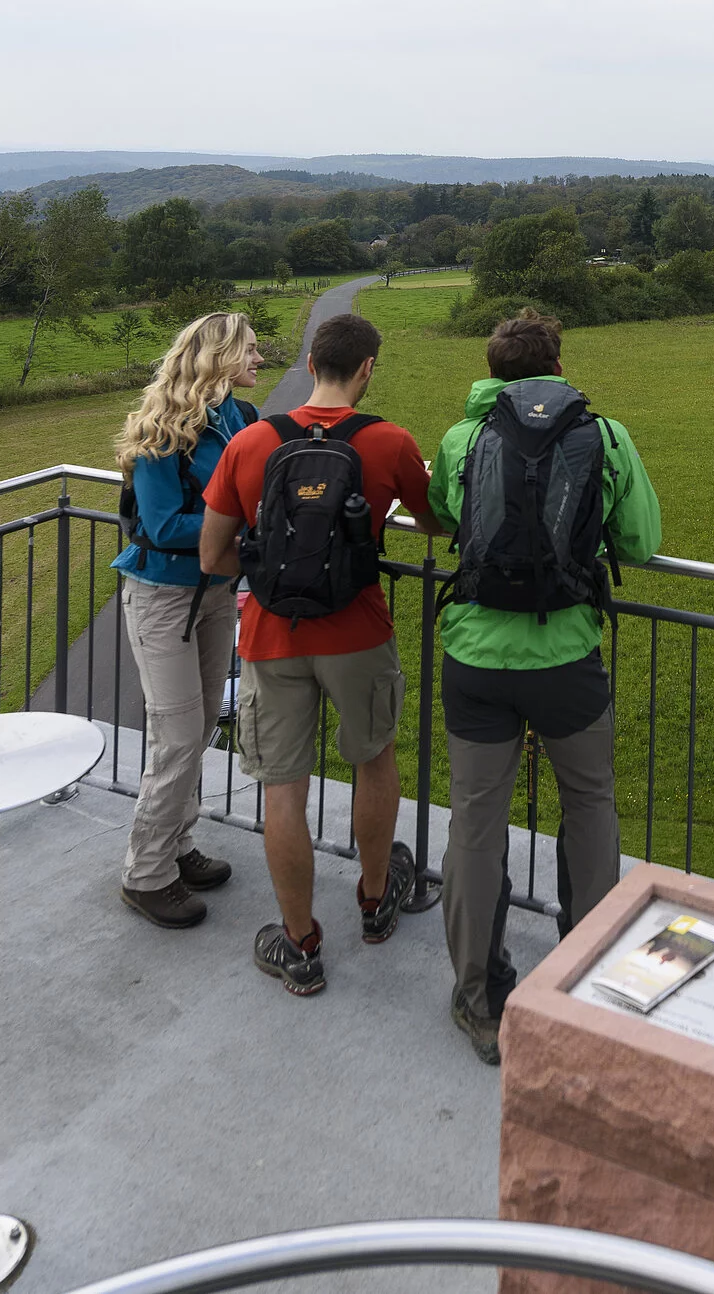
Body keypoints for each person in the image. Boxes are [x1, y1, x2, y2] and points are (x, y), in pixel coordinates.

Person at [429, 308, 661, 1064]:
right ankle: (588, 984)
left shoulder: (464, 438)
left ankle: (478, 999)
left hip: (475, 659)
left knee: (475, 821)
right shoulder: (605, 435)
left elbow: (443, 517)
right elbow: (642, 542)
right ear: (558, 365)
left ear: (492, 370)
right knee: (590, 804)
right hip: (566, 657)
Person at [197, 312, 442, 996]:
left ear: (309, 362)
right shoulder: (388, 441)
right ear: (367, 369)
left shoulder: (251, 443)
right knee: (374, 762)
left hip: (272, 636)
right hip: (359, 632)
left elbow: (213, 554)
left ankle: (299, 943)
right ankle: (374, 900)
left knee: (284, 789)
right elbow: (434, 522)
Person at [110, 311, 262, 929]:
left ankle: (177, 845)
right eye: (251, 349)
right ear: (219, 356)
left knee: (197, 729)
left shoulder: (242, 420)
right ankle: (145, 874)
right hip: (162, 597)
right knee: (175, 735)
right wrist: (244, 525)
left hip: (218, 591)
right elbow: (168, 524)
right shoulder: (161, 431)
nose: (261, 357)